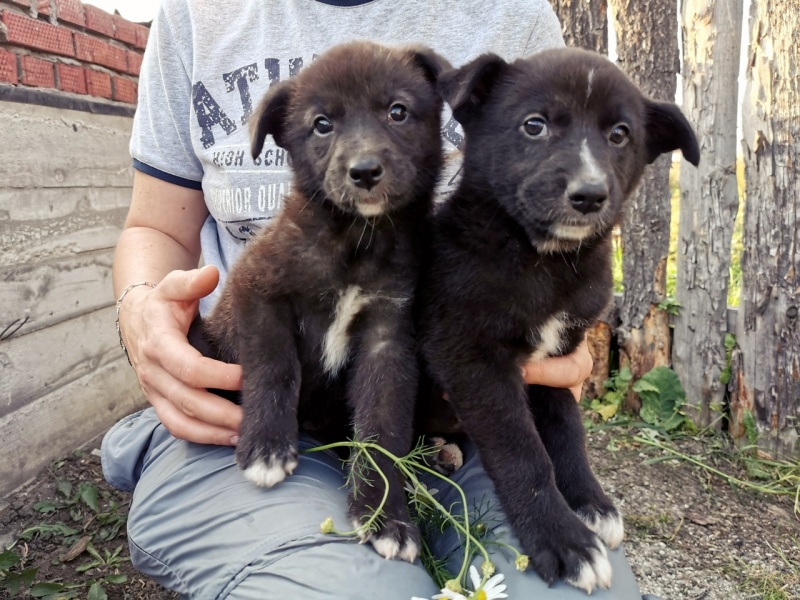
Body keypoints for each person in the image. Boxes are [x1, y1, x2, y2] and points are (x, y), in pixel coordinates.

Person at [103, 1, 651, 598]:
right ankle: (143, 449)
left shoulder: (513, 17)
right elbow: (157, 229)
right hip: (236, 412)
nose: (364, 151)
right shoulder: (194, 16)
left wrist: (547, 341)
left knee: (576, 590)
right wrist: (142, 312)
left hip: (437, 423)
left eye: (397, 113)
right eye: (323, 125)